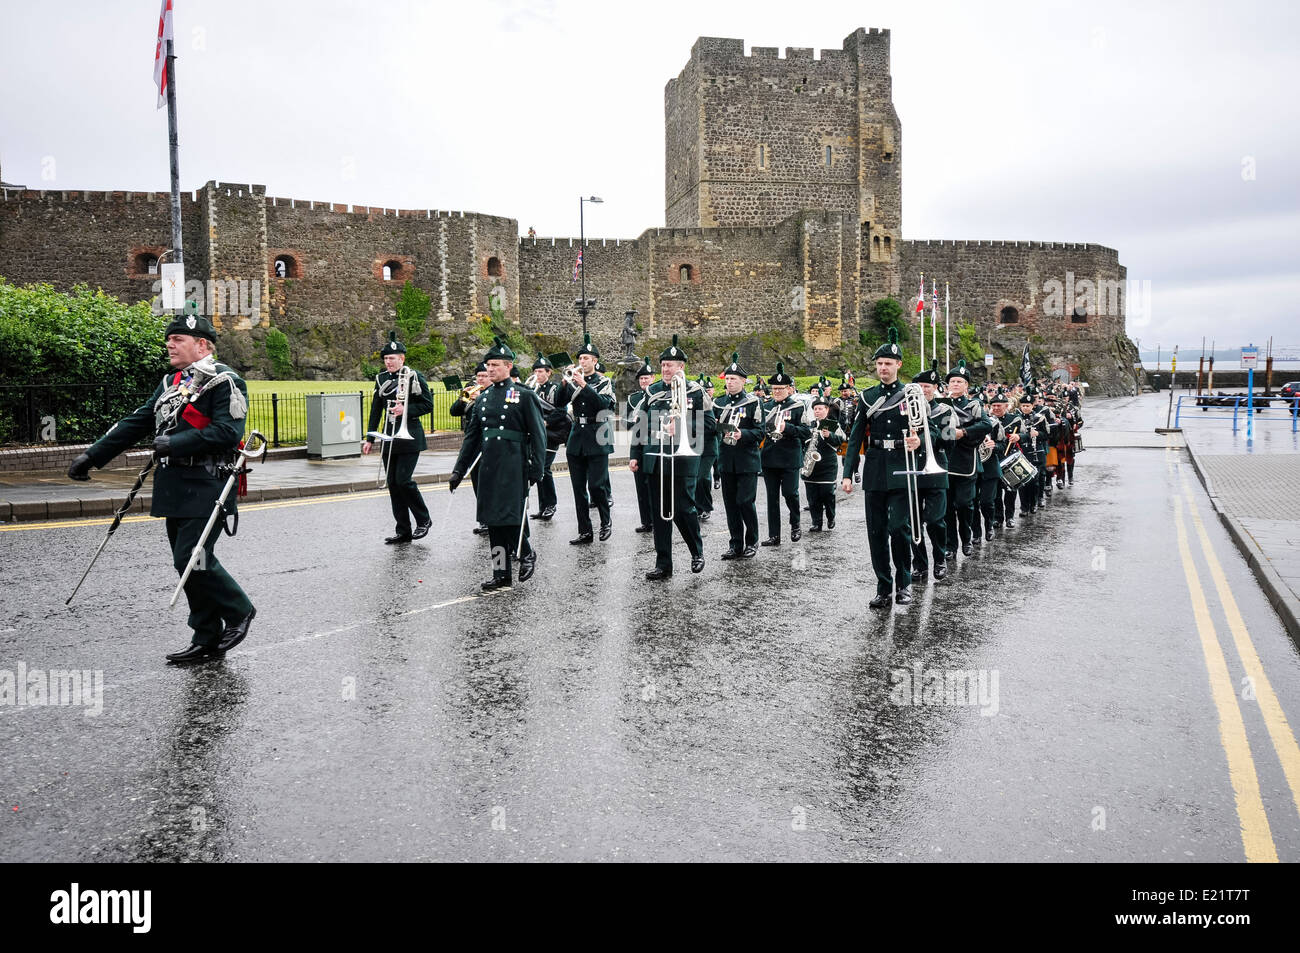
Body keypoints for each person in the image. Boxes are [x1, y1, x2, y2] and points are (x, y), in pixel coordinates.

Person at [66, 311, 256, 664]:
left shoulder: (225, 381)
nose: (170, 344)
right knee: (187, 565)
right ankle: (207, 637)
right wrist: (92, 456)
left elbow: (228, 432)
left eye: (178, 339)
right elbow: (137, 421)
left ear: (202, 345)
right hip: (175, 485)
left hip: (209, 483)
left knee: (192, 559)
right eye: (169, 339)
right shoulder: (172, 382)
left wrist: (177, 443)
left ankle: (240, 609)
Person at [449, 338, 546, 590]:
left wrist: (537, 467)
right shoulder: (482, 398)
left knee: (512, 517)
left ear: (508, 366)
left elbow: (538, 434)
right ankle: (501, 572)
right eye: (488, 365)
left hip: (514, 465)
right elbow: (472, 439)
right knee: (494, 522)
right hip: (489, 467)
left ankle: (526, 553)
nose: (489, 369)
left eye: (495, 365)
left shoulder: (524, 396)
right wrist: (459, 470)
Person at [842, 328, 920, 608]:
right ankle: (884, 587)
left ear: (898, 365)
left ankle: (905, 583)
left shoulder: (910, 395)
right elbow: (855, 438)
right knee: (876, 532)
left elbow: (929, 432)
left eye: (888, 363)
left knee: (899, 529)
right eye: (879, 364)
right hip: (875, 467)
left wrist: (919, 439)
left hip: (902, 467)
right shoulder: (867, 397)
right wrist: (848, 473)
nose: (883, 368)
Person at [628, 336, 712, 578]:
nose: (666, 369)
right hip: (655, 456)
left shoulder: (695, 391)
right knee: (660, 513)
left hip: (683, 457)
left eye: (671, 364)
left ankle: (697, 551)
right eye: (663, 365)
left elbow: (709, 424)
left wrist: (684, 426)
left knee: (684, 508)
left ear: (681, 367)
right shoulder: (651, 391)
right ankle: (663, 564)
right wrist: (635, 454)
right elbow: (640, 424)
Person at [362, 332, 434, 544]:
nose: (388, 362)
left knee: (404, 481)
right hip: (389, 436)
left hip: (409, 436)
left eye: (392, 358)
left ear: (402, 359)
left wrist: (406, 409)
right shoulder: (381, 379)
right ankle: (403, 530)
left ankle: (424, 519)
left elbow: (428, 405)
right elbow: (376, 409)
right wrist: (369, 438)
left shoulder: (413, 376)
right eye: (386, 359)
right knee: (393, 484)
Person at [554, 334, 615, 544]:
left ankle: (606, 522)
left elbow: (604, 405)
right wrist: (564, 384)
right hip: (576, 437)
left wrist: (584, 386)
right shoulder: (572, 380)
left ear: (595, 361)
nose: (582, 362)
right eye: (580, 359)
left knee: (597, 486)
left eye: (586, 358)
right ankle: (585, 531)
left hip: (597, 434)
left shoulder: (604, 381)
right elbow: (558, 403)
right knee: (578, 489)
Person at [713, 353, 764, 559]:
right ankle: (735, 544)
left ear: (743, 381)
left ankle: (752, 540)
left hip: (747, 460)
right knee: (731, 504)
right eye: (728, 378)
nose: (730, 382)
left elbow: (760, 432)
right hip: (726, 460)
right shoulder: (719, 402)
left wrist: (743, 434)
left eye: (734, 379)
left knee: (745, 501)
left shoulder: (753, 403)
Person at [942, 360, 993, 558]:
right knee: (946, 508)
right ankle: (950, 546)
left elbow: (985, 426)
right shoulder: (941, 405)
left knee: (964, 504)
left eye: (959, 381)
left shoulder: (974, 404)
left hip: (966, 461)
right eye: (952, 381)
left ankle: (966, 537)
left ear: (966, 386)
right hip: (945, 460)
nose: (955, 384)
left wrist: (963, 432)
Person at [907, 361, 950, 580]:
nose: (923, 390)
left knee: (935, 520)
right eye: (920, 387)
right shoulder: (906, 410)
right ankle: (920, 564)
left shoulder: (945, 410)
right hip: (912, 469)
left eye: (927, 387)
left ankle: (940, 558)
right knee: (914, 522)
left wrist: (926, 438)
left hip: (936, 469)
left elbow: (949, 441)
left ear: (935, 388)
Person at [759, 362, 811, 545]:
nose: (777, 392)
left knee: (790, 493)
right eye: (774, 388)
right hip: (770, 457)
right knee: (771, 498)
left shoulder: (798, 407)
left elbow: (806, 431)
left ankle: (795, 523)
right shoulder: (766, 407)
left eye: (780, 388)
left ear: (789, 389)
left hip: (789, 457)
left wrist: (786, 427)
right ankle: (774, 535)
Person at [449, 362, 491, 535]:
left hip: (488, 443)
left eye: (484, 376)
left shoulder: (492, 393)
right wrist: (464, 397)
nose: (480, 379)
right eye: (478, 376)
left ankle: (491, 519)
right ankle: (483, 520)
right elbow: (454, 411)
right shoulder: (470, 391)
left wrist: (480, 399)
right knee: (477, 482)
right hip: (472, 443)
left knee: (488, 483)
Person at [526, 355, 567, 520]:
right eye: (535, 371)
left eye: (540, 371)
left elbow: (561, 410)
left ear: (549, 373)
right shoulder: (533, 389)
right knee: (538, 469)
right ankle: (543, 506)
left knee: (544, 469)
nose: (537, 374)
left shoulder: (555, 389)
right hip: (536, 436)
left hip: (550, 435)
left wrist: (546, 423)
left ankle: (551, 504)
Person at [803, 397, 844, 532]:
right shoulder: (810, 424)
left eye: (820, 409)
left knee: (827, 494)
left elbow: (841, 440)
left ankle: (831, 516)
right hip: (811, 465)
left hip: (827, 465)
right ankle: (816, 522)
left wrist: (829, 436)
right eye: (815, 409)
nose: (818, 411)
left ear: (827, 410)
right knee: (812, 496)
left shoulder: (832, 424)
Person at [625, 357, 656, 533]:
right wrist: (633, 420)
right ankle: (646, 521)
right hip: (638, 442)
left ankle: (659, 518)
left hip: (655, 442)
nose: (644, 381)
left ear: (653, 378)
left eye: (647, 378)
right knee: (641, 485)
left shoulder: (660, 394)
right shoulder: (633, 399)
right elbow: (625, 421)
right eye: (642, 378)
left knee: (655, 484)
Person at [694, 374, 720, 522]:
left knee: (702, 477)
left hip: (709, 446)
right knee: (695, 478)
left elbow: (713, 425)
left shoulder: (713, 404)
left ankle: (706, 507)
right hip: (694, 446)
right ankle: (697, 507)